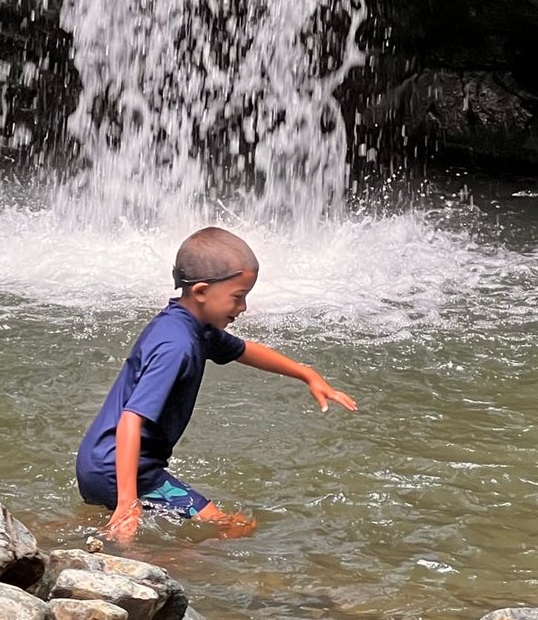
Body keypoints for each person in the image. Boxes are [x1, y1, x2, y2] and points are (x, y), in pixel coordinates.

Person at [75, 226, 356, 542]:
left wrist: (307, 374)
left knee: (158, 531)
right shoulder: (176, 346)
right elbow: (130, 419)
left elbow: (244, 349)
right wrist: (128, 503)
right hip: (121, 471)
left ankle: (69, 538)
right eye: (238, 297)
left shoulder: (192, 326)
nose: (243, 308)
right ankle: (169, 569)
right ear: (201, 291)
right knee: (231, 527)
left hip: (106, 463)